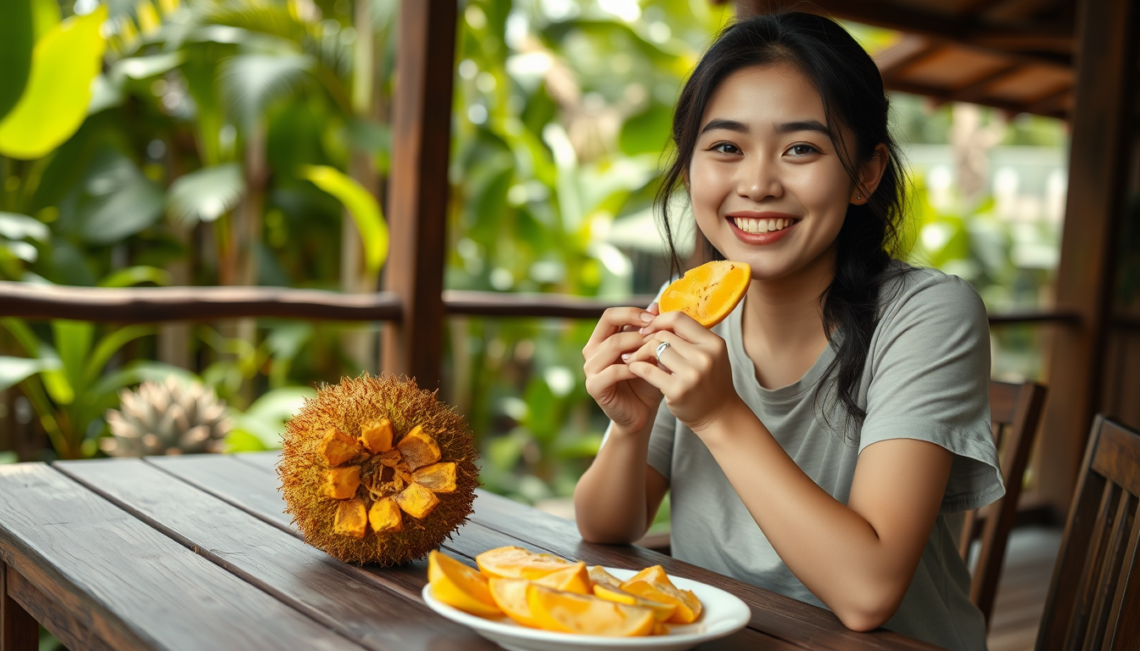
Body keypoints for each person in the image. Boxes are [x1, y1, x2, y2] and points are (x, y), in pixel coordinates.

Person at [573, 12, 1002, 651]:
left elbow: (868, 593)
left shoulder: (928, 315)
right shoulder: (687, 306)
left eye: (801, 148)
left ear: (865, 173)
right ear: (690, 169)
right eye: (725, 147)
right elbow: (607, 524)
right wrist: (631, 429)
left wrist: (718, 415)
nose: (758, 184)